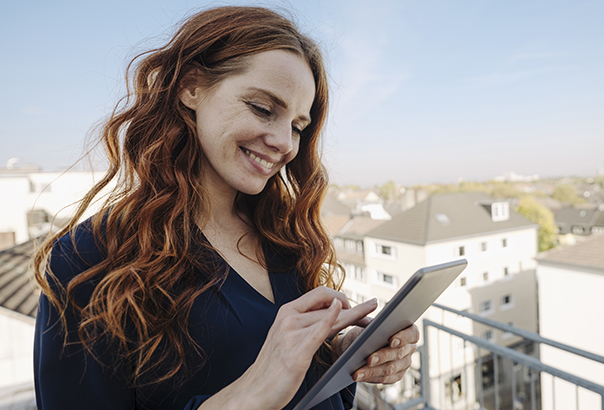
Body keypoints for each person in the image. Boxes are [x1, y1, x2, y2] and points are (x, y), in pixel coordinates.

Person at [33, 6, 419, 410]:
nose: (285, 143)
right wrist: (252, 392)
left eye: (297, 127)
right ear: (191, 87)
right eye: (263, 108)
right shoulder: (88, 258)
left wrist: (341, 355)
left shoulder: (284, 237)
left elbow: (292, 378)